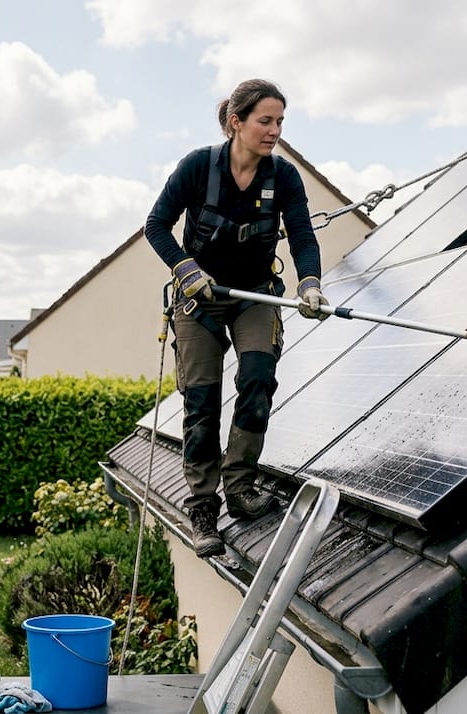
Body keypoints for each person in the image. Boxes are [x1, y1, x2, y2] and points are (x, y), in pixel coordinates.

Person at [144, 78, 330, 558]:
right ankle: (203, 505)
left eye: (280, 122)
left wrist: (309, 282)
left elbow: (305, 239)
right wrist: (186, 268)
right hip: (199, 300)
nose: (274, 131)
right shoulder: (196, 168)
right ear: (236, 123)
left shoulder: (283, 177)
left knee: (257, 377)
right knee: (201, 399)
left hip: (254, 294)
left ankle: (240, 486)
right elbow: (156, 226)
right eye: (265, 121)